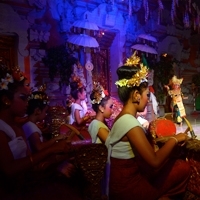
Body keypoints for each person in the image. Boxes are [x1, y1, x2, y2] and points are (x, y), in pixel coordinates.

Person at [105, 52, 191, 200]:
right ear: (136, 95)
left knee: (171, 164)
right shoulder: (129, 123)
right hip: (129, 190)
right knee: (183, 168)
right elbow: (155, 162)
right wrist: (175, 139)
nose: (147, 99)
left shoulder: (122, 118)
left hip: (124, 185)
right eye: (146, 95)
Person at [0, 65, 70, 196]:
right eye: (23, 98)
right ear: (6, 100)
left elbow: (29, 162)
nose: (27, 102)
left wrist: (56, 161)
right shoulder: (2, 128)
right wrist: (52, 149)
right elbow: (9, 169)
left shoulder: (18, 126)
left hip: (24, 186)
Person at [22, 88, 68, 153]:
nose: (46, 114)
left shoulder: (30, 124)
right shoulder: (30, 126)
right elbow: (39, 147)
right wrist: (55, 139)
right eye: (45, 111)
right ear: (37, 111)